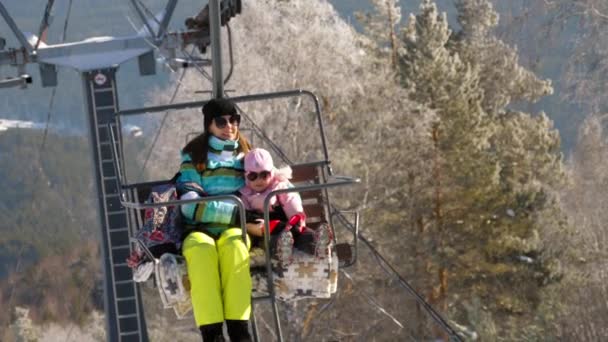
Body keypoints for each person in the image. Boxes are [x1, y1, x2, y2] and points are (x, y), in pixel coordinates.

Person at [177, 98, 256, 342]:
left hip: (236, 229)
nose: (229, 126)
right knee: (201, 252)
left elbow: (262, 186)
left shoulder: (247, 155)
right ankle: (212, 334)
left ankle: (239, 330)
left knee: (235, 248)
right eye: (221, 121)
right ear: (209, 124)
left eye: (234, 120)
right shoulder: (194, 156)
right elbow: (191, 205)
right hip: (199, 229)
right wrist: (234, 210)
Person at [239, 148, 333, 267]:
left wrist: (294, 222)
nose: (259, 180)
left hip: (288, 225)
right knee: (274, 239)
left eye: (264, 175)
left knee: (304, 234)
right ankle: (282, 252)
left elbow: (293, 206)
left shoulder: (280, 187)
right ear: (246, 175)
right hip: (266, 231)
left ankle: (317, 245)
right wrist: (257, 226)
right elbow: (245, 219)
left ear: (271, 173)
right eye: (253, 176)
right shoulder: (246, 195)